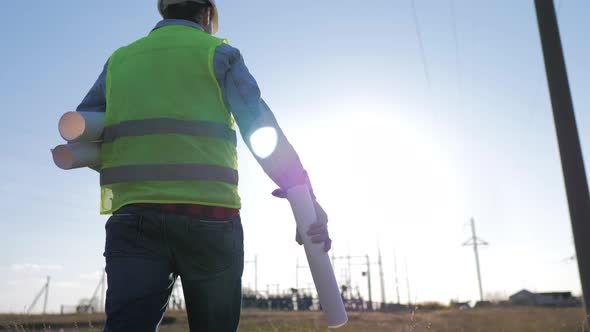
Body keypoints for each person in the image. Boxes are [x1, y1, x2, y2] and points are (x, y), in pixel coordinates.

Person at [75, 0, 332, 331]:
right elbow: (261, 129)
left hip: (134, 217)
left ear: (163, 10)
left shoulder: (120, 60)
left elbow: (82, 133)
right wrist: (304, 196)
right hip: (210, 218)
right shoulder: (219, 54)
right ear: (207, 13)